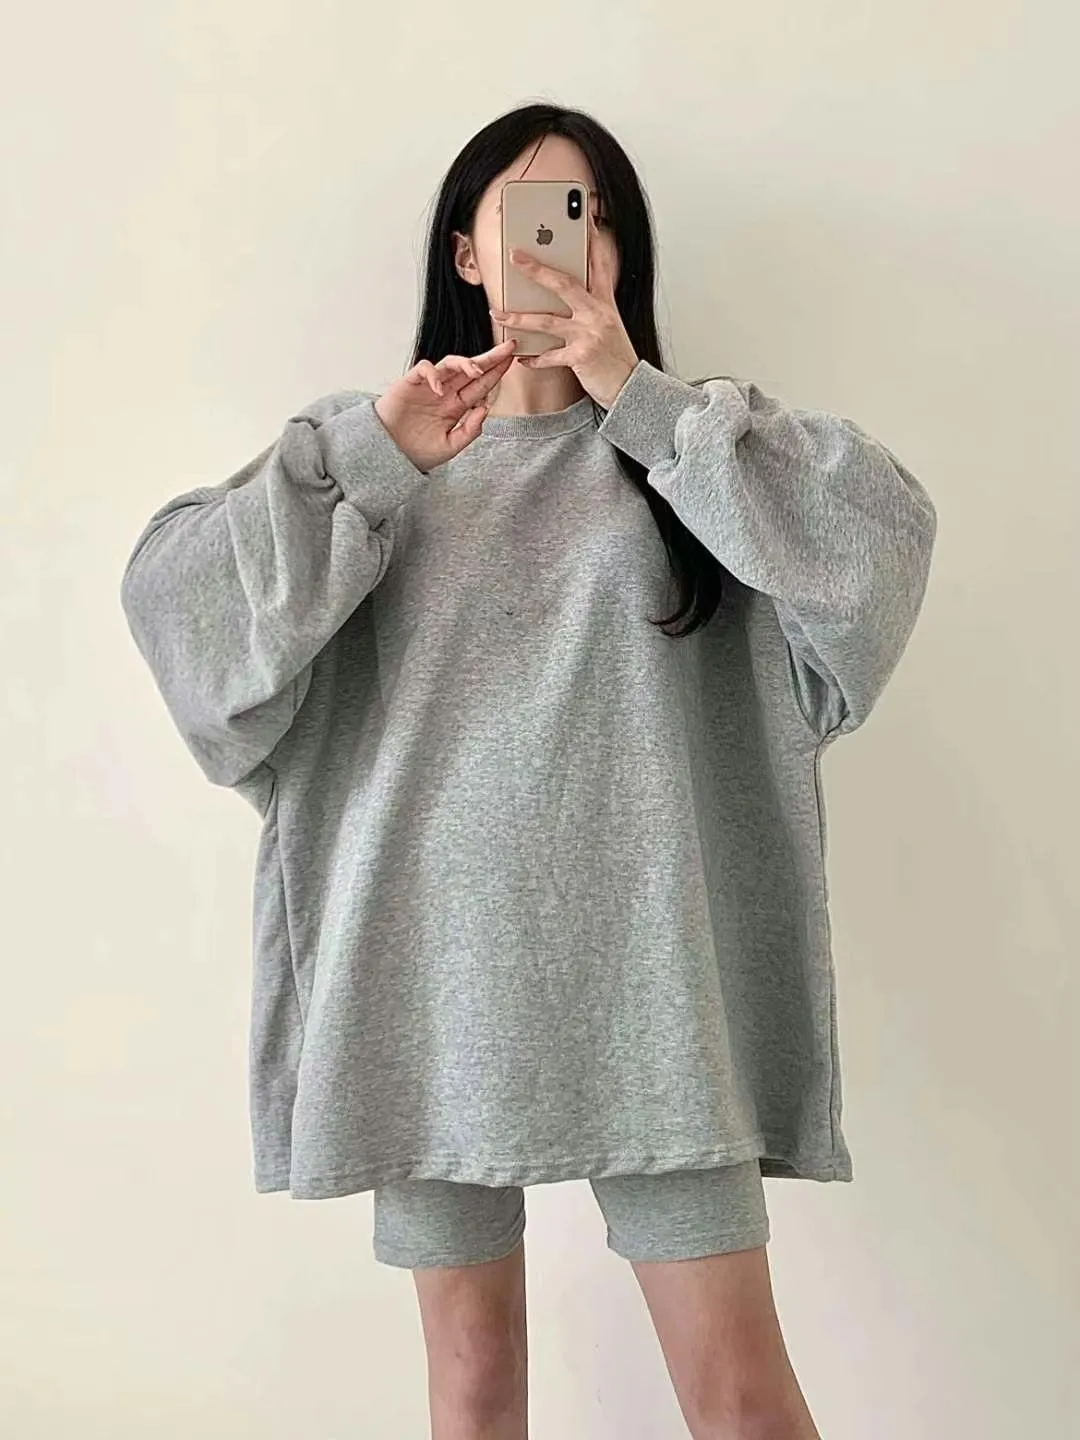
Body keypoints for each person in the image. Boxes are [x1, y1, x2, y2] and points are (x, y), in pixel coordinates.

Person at [120, 101, 936, 1440]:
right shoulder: (367, 460)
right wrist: (375, 459)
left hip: (661, 990)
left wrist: (644, 405)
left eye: (594, 217)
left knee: (738, 1396)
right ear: (468, 252)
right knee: (473, 1387)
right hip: (425, 987)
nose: (566, 243)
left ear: (621, 255)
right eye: (533, 216)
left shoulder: (696, 451)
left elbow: (878, 553)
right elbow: (181, 613)